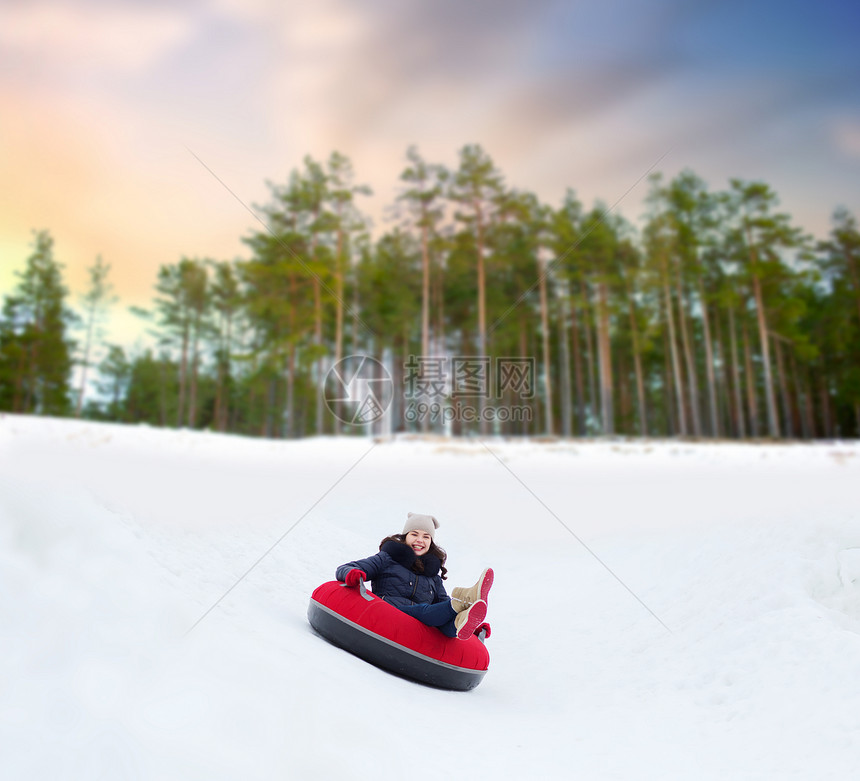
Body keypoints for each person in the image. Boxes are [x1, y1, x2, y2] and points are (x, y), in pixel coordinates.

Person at [336, 512, 493, 640]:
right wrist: (353, 574)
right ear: (405, 536)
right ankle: (462, 600)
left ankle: (464, 617)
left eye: (426, 536)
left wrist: (474, 627)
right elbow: (345, 568)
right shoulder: (387, 558)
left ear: (431, 542)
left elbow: (442, 605)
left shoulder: (433, 576)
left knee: (447, 626)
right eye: (414, 534)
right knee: (423, 610)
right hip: (390, 611)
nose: (420, 540)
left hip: (422, 625)